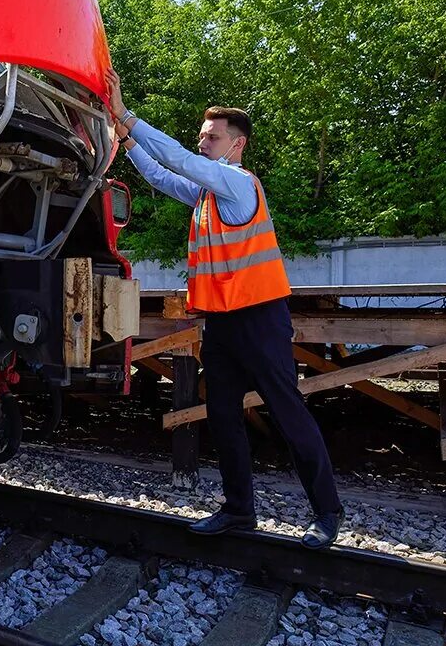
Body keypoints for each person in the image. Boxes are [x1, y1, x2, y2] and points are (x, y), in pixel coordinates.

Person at [106, 65, 343, 549]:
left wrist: (126, 114)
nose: (202, 143)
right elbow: (160, 172)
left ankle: (328, 513)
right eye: (202, 136)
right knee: (223, 416)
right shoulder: (208, 196)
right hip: (222, 325)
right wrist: (124, 139)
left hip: (260, 319)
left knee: (286, 411)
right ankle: (239, 510)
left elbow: (177, 158)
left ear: (237, 144)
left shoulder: (237, 184)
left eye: (212, 137)